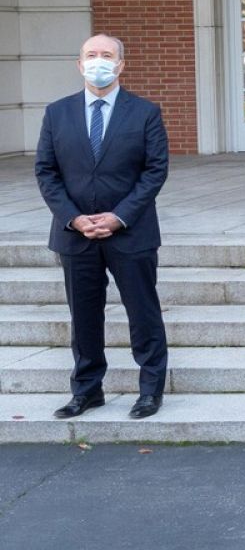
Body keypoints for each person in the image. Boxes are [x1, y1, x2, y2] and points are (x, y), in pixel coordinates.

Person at [34, 34, 170, 420]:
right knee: (84, 317)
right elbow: (46, 171)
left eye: (106, 55)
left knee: (143, 313)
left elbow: (154, 170)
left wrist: (118, 216)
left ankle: (149, 390)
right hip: (75, 236)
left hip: (131, 232)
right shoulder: (56, 113)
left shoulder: (144, 112)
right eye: (91, 55)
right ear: (79, 65)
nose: (99, 61)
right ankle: (87, 390)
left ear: (121, 65)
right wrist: (73, 218)